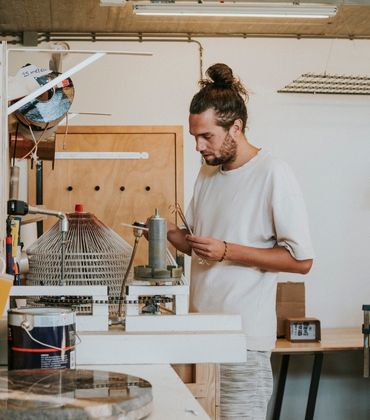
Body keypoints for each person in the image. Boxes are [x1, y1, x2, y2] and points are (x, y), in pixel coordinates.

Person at [167, 63, 314, 419]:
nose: (199, 147)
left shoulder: (272, 172)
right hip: (200, 334)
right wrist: (175, 238)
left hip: (242, 341)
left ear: (236, 127)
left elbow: (301, 261)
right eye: (195, 138)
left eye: (207, 137)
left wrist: (227, 251)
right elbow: (203, 240)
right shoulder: (208, 173)